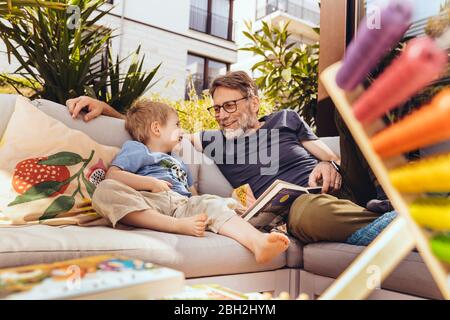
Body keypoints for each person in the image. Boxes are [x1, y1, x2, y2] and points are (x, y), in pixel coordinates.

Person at [67, 71, 392, 244]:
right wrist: (107, 110)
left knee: (353, 104)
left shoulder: (286, 119)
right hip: (308, 205)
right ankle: (395, 226)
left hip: (348, 185)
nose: (221, 115)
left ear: (253, 101)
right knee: (306, 213)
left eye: (229, 106)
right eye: (216, 108)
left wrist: (325, 163)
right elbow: (155, 130)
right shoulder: (212, 140)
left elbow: (327, 153)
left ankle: (390, 200)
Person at [91, 98, 290, 264]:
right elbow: (113, 176)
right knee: (105, 190)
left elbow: (192, 194)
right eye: (177, 124)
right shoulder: (137, 149)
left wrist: (209, 205)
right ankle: (174, 225)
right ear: (156, 129)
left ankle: (258, 243)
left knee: (212, 203)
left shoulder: (178, 160)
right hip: (149, 201)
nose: (182, 129)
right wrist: (150, 183)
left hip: (182, 205)